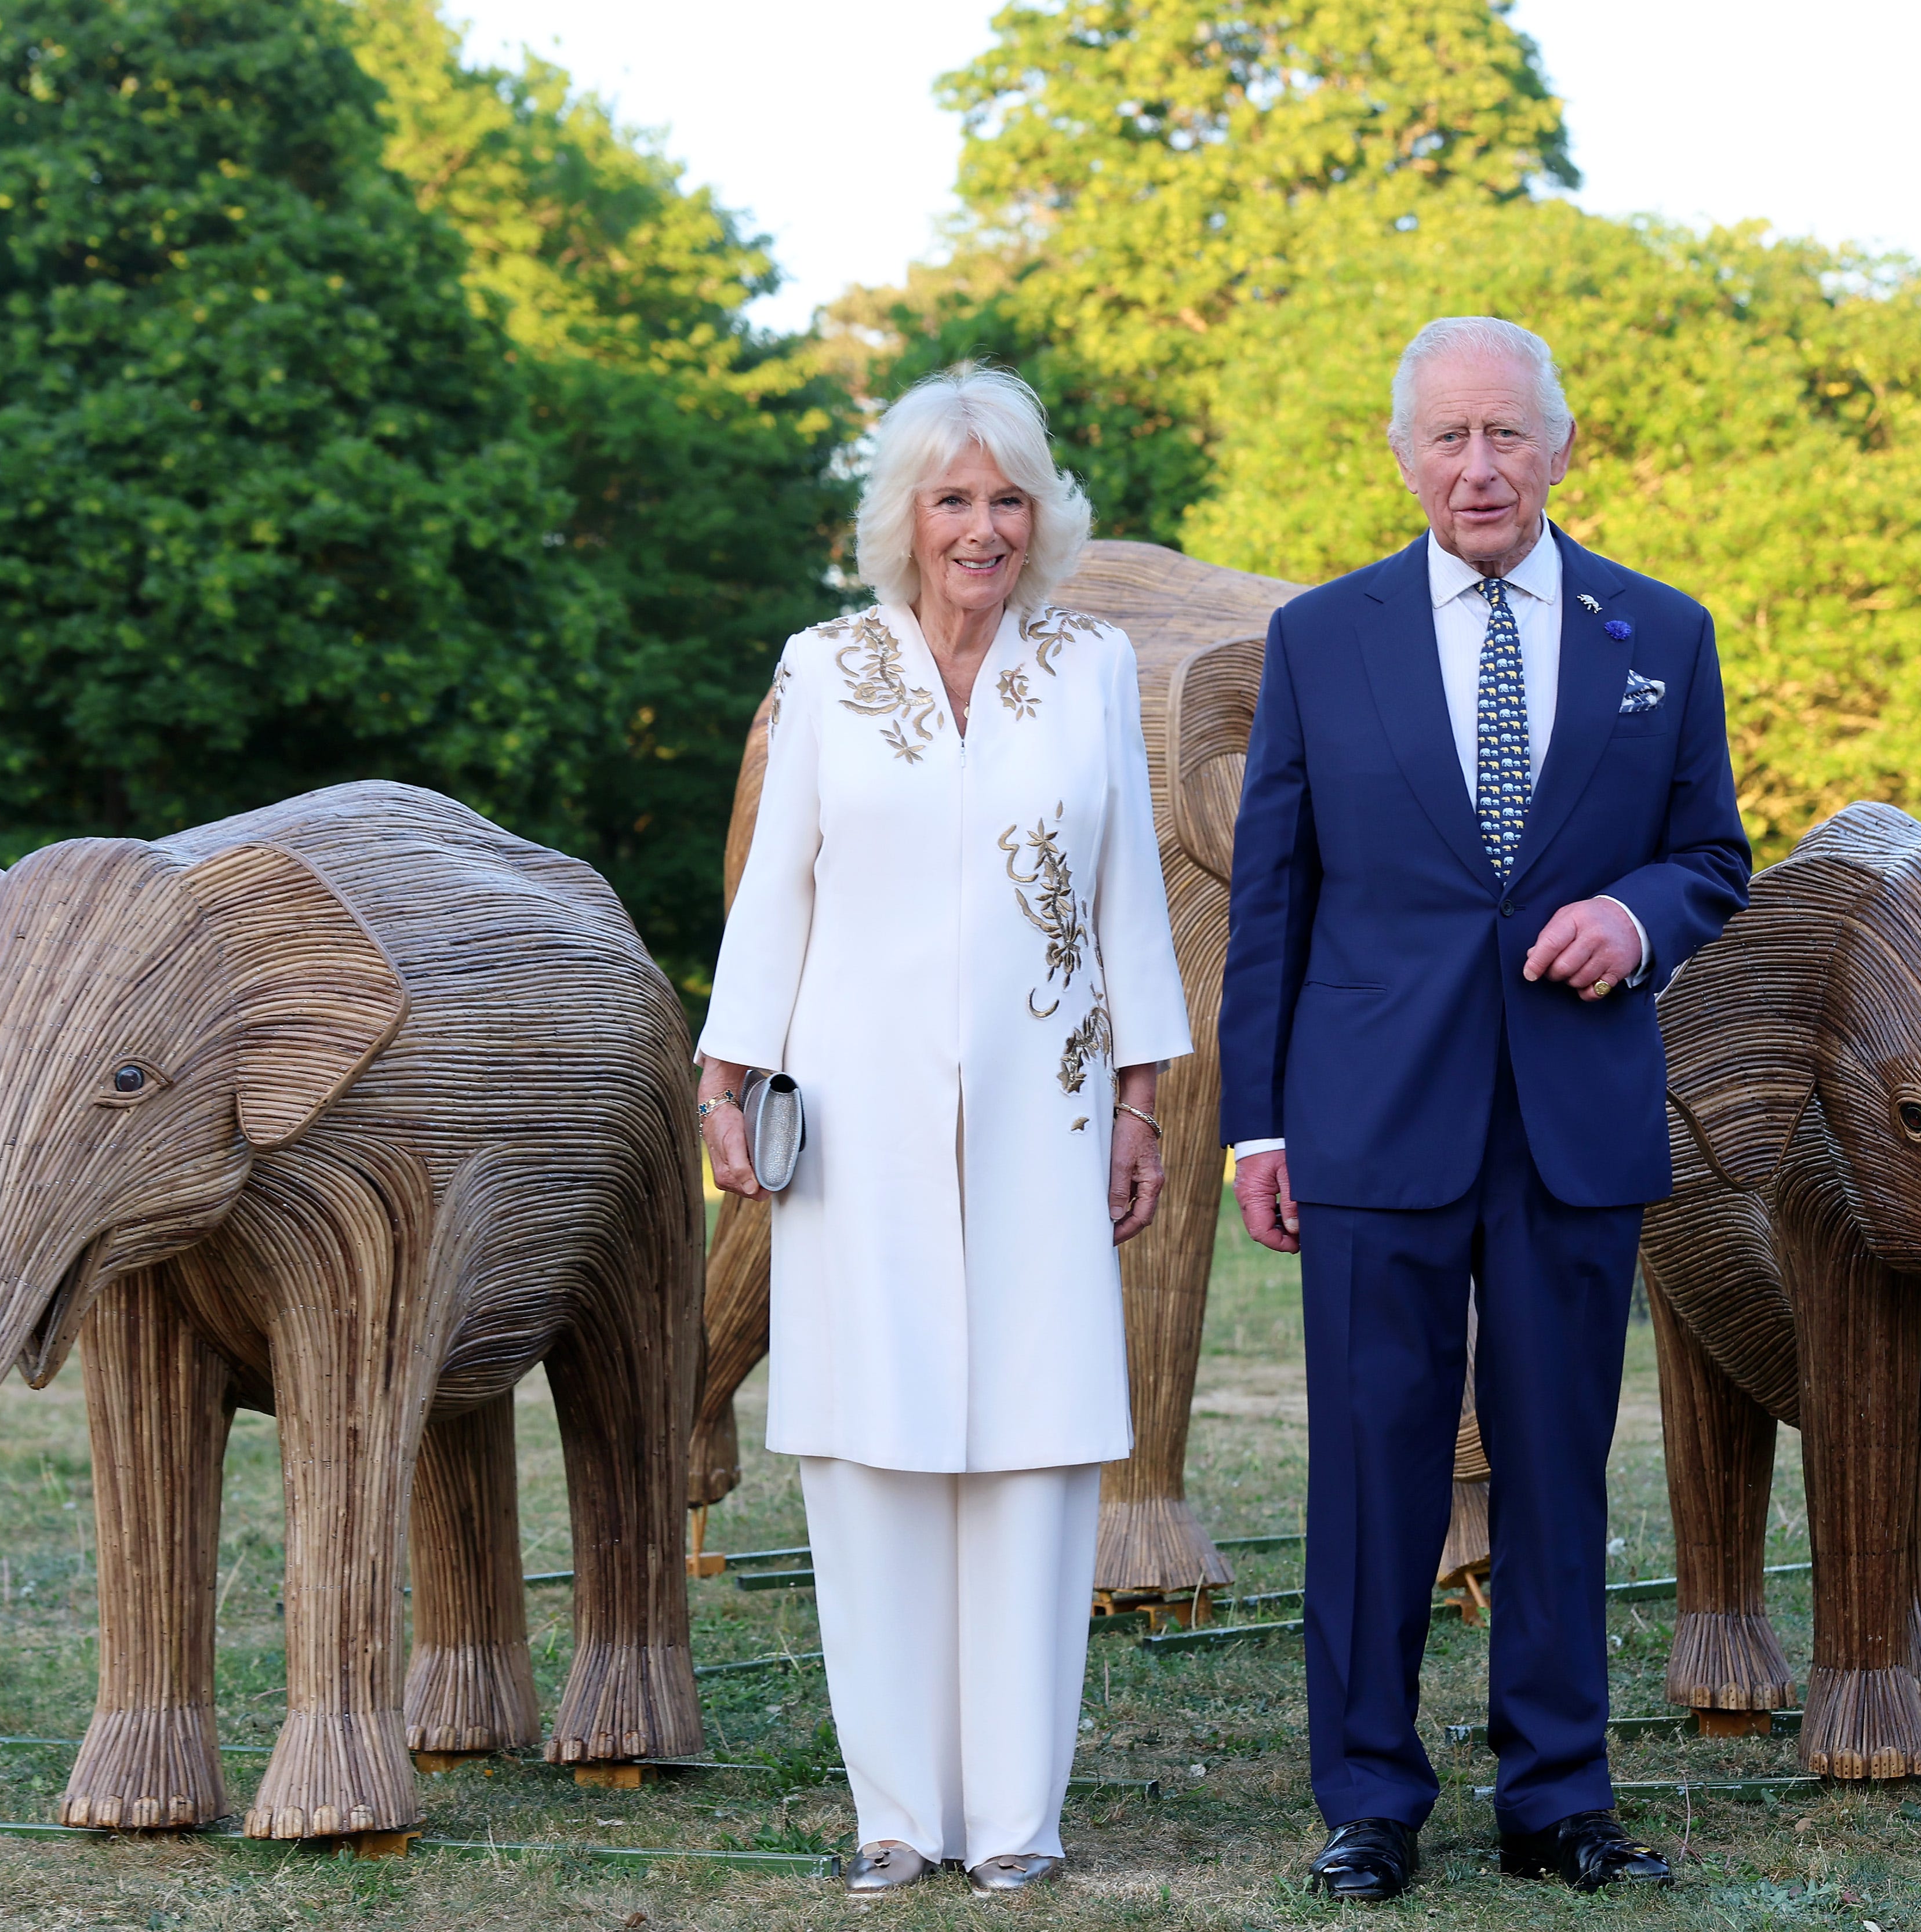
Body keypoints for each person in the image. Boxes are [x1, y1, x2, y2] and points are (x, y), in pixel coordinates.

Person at [1218, 318, 1750, 1900]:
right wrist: (1259, 1124)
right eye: (1448, 437)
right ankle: (1370, 1800)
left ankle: (1557, 1800)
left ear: (1562, 447)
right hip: (1370, 1121)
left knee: (1554, 1461)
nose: (1478, 466)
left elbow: (1715, 855)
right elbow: (1274, 898)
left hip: (1572, 1124)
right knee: (1370, 1465)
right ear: (1401, 454)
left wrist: (1640, 919)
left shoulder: (1663, 630)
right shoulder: (1323, 638)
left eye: (1508, 434)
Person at [696, 365, 1190, 1898]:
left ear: (1040, 515)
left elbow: (1127, 894)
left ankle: (1019, 1824)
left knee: (1036, 1454)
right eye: (954, 498)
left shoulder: (1092, 665)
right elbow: (780, 884)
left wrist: (1141, 1094)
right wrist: (728, 1073)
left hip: (1050, 1112)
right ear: (904, 517)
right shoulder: (828, 669)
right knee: (874, 1450)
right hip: (857, 1116)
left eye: (1007, 498)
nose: (982, 527)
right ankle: (897, 1813)